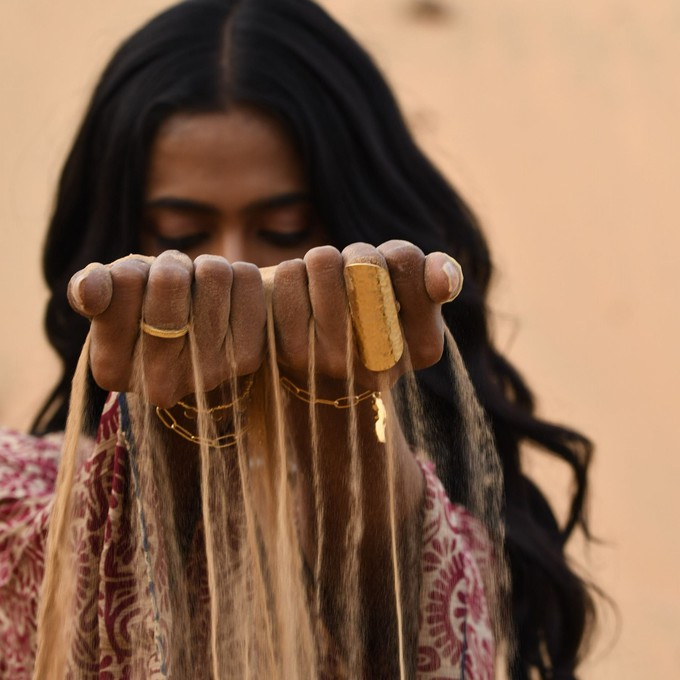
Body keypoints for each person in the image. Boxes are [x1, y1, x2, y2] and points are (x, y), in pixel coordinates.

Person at [0, 0, 595, 678]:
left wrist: (341, 413)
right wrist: (171, 421)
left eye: (284, 231)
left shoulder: (455, 518)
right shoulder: (24, 497)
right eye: (179, 236)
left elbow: (413, 623)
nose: (234, 270)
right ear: (117, 242)